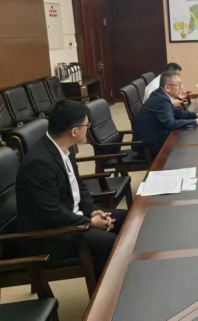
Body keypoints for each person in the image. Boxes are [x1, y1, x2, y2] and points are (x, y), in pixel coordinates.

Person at [16, 100, 128, 278]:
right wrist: (89, 223)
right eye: (87, 125)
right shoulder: (38, 163)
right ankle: (105, 289)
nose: (88, 129)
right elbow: (52, 213)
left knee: (127, 219)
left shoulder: (66, 148)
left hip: (72, 217)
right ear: (74, 131)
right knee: (108, 242)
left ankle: (123, 272)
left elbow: (79, 186)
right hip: (50, 235)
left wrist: (93, 211)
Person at [134, 72, 198, 157]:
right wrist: (196, 121)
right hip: (150, 145)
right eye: (178, 85)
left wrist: (196, 115)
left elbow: (177, 113)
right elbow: (170, 124)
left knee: (188, 140)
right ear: (168, 88)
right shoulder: (161, 100)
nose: (181, 88)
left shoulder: (160, 94)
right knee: (189, 149)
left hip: (155, 137)